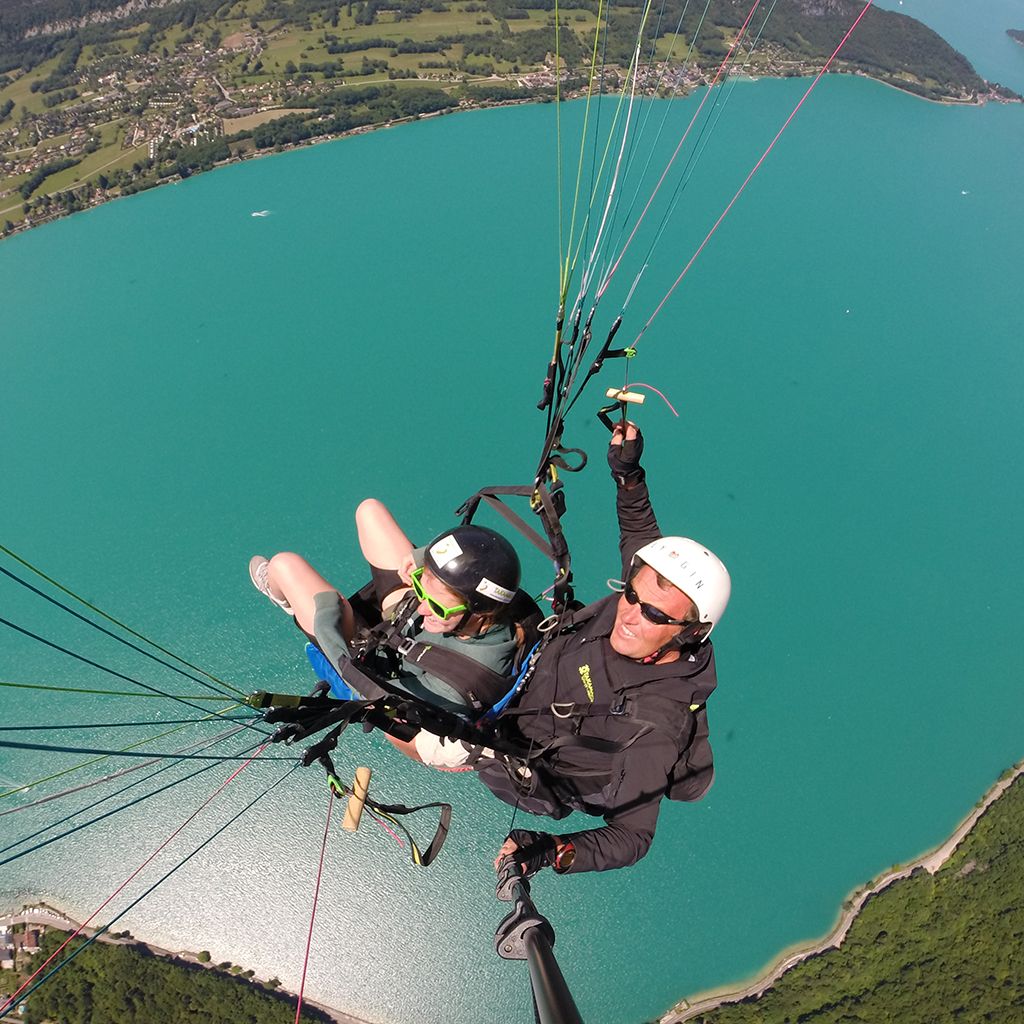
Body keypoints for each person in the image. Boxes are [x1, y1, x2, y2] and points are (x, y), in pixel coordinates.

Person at [408, 422, 731, 876]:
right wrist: (627, 473)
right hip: (529, 663)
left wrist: (549, 850)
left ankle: (354, 685)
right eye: (631, 596)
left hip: (515, 748)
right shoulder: (643, 601)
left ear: (690, 633)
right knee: (444, 579)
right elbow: (639, 535)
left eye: (655, 616)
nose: (631, 614)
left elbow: (632, 837)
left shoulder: (654, 726)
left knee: (405, 724)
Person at [248, 500, 524, 716]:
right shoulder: (493, 600)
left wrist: (326, 623)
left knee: (283, 566)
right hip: (404, 625)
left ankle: (282, 593)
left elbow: (373, 695)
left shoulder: (456, 687)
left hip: (371, 663)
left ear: (479, 613)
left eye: (438, 607)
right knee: (370, 511)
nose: (424, 608)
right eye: (422, 588)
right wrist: (424, 561)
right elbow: (470, 563)